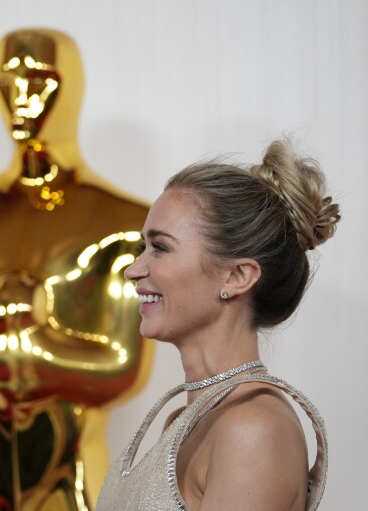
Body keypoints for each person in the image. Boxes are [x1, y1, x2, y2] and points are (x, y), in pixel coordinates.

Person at [0, 28, 151, 509]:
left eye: (39, 79)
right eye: (8, 82)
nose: (20, 98)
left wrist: (21, 351)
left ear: (73, 87)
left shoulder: (127, 223)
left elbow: (124, 369)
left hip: (77, 484)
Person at [96, 139, 340, 510]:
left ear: (238, 276)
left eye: (160, 248)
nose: (134, 270)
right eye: (142, 248)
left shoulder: (253, 429)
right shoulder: (184, 420)